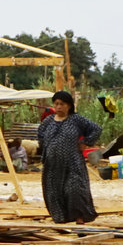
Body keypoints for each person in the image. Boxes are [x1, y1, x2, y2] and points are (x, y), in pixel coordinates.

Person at [38, 89, 100, 225]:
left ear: (69, 105)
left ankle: (79, 217)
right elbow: (40, 135)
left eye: (62, 104)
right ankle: (60, 219)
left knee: (75, 190)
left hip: (73, 162)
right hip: (52, 165)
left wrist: (85, 142)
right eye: (56, 104)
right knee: (54, 192)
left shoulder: (76, 119)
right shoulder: (48, 121)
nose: (59, 107)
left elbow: (96, 129)